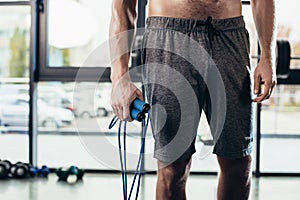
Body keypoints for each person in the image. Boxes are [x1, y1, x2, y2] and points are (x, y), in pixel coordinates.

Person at [109, 0, 277, 199]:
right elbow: (123, 5)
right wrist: (119, 77)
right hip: (168, 36)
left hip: (229, 36)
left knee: (238, 163)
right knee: (172, 168)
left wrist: (267, 56)